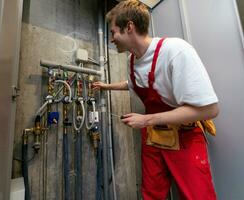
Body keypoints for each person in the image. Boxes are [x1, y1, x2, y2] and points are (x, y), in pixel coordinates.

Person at [93, 0, 219, 199]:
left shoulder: (175, 51)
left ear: (129, 27)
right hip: (153, 138)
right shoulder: (132, 60)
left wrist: (146, 120)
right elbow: (131, 83)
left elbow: (209, 110)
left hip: (184, 137)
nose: (111, 38)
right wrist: (106, 86)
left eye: (113, 32)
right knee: (151, 195)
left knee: (197, 195)